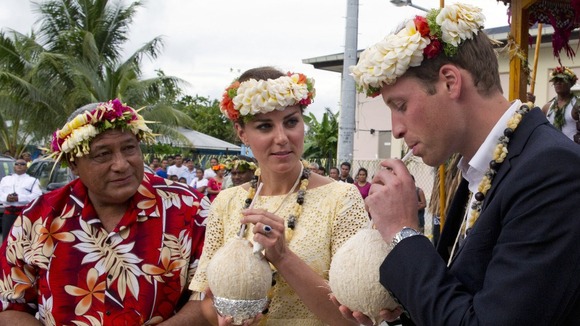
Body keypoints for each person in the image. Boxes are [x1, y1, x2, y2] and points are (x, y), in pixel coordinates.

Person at [341, 3, 580, 325]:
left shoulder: (553, 170)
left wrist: (401, 233)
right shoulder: (483, 167)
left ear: (451, 82)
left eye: (400, 105)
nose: (395, 128)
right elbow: (466, 294)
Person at [0, 99, 208, 325]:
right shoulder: (38, 218)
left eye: (129, 148)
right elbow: (10, 306)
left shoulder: (189, 208)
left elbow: (212, 297)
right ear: (73, 163)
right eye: (102, 154)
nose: (121, 164)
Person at [188, 66, 369, 325]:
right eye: (264, 126)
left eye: (291, 122)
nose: (282, 137)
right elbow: (207, 300)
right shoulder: (226, 203)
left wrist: (283, 257)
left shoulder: (342, 199)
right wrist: (224, 317)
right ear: (242, 133)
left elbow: (355, 319)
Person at [0, 158, 42, 240]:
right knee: (7, 239)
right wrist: (7, 198)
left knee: (22, 240)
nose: (19, 165)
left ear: (26, 167)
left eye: (22, 164)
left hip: (24, 214)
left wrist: (19, 198)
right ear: (14, 167)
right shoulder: (5, 180)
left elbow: (37, 196)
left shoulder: (33, 181)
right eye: (17, 164)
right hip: (8, 215)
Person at [541, 66, 580, 143]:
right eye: (555, 80)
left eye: (562, 80)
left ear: (571, 84)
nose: (558, 82)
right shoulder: (547, 107)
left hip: (573, 152)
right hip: (553, 150)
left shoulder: (577, 105)